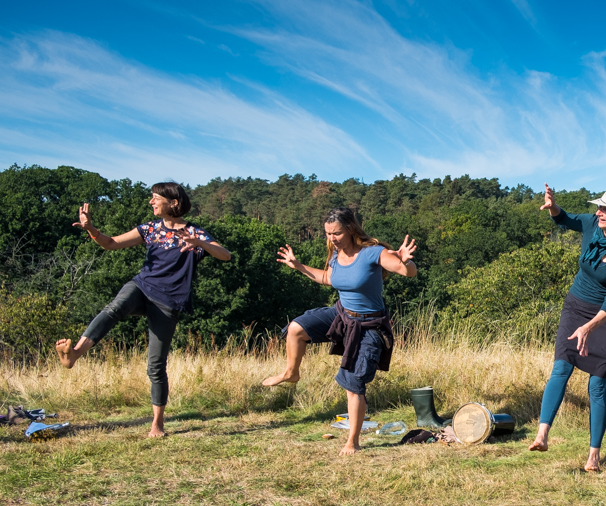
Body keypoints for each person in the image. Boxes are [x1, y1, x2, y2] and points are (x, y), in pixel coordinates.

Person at [55, 182, 231, 437]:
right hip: (141, 287)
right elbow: (110, 243)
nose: (151, 202)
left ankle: (157, 424)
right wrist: (91, 229)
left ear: (173, 203)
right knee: (115, 307)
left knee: (155, 366)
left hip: (168, 301)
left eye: (155, 198)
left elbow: (225, 255)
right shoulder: (149, 229)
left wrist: (200, 243)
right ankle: (74, 354)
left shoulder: (194, 232)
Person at [263, 207, 417, 456]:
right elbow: (328, 278)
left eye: (336, 233)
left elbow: (408, 272)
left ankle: (352, 441)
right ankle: (291, 373)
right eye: (328, 233)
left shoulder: (373, 253)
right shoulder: (336, 254)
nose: (332, 238)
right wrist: (298, 265)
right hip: (342, 314)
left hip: (369, 325)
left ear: (350, 229)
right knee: (296, 329)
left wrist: (405, 260)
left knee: (353, 384)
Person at [529, 184, 606, 472]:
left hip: (605, 317)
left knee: (597, 386)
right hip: (575, 307)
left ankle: (594, 456)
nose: (599, 212)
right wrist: (553, 206)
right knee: (561, 368)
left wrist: (589, 327)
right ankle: (542, 435)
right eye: (599, 207)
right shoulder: (591, 224)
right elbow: (563, 219)